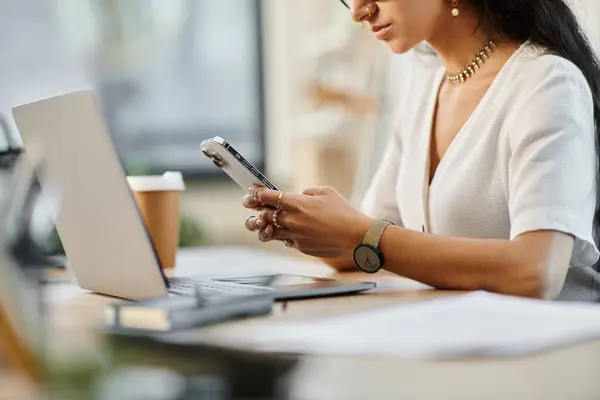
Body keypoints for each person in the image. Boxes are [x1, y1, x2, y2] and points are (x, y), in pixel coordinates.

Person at [243, 0, 600, 301]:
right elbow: (367, 244)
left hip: (548, 361)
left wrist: (360, 233)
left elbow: (537, 272)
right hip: (456, 347)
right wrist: (312, 226)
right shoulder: (424, 82)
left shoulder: (547, 83)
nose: (358, 11)